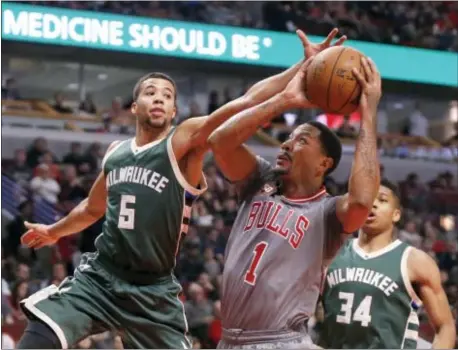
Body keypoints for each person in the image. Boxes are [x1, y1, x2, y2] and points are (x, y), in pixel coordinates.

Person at [17, 29, 343, 350]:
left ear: (174, 112)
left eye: (167, 95)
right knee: (41, 333)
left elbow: (244, 101)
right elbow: (91, 208)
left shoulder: (183, 141)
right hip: (101, 276)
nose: (158, 97)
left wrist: (300, 69)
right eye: (150, 92)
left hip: (152, 291)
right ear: (134, 106)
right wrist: (54, 231)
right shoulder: (115, 153)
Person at [208, 54, 382, 348]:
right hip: (230, 340)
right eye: (288, 138)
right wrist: (284, 100)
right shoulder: (260, 179)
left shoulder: (327, 212)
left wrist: (368, 115)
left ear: (323, 164)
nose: (287, 144)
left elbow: (362, 202)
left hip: (282, 341)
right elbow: (219, 141)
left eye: (301, 140)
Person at [319, 180, 456, 349]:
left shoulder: (415, 261)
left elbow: (445, 327)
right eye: (368, 199)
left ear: (396, 215)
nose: (373, 204)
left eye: (382, 200)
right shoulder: (331, 252)